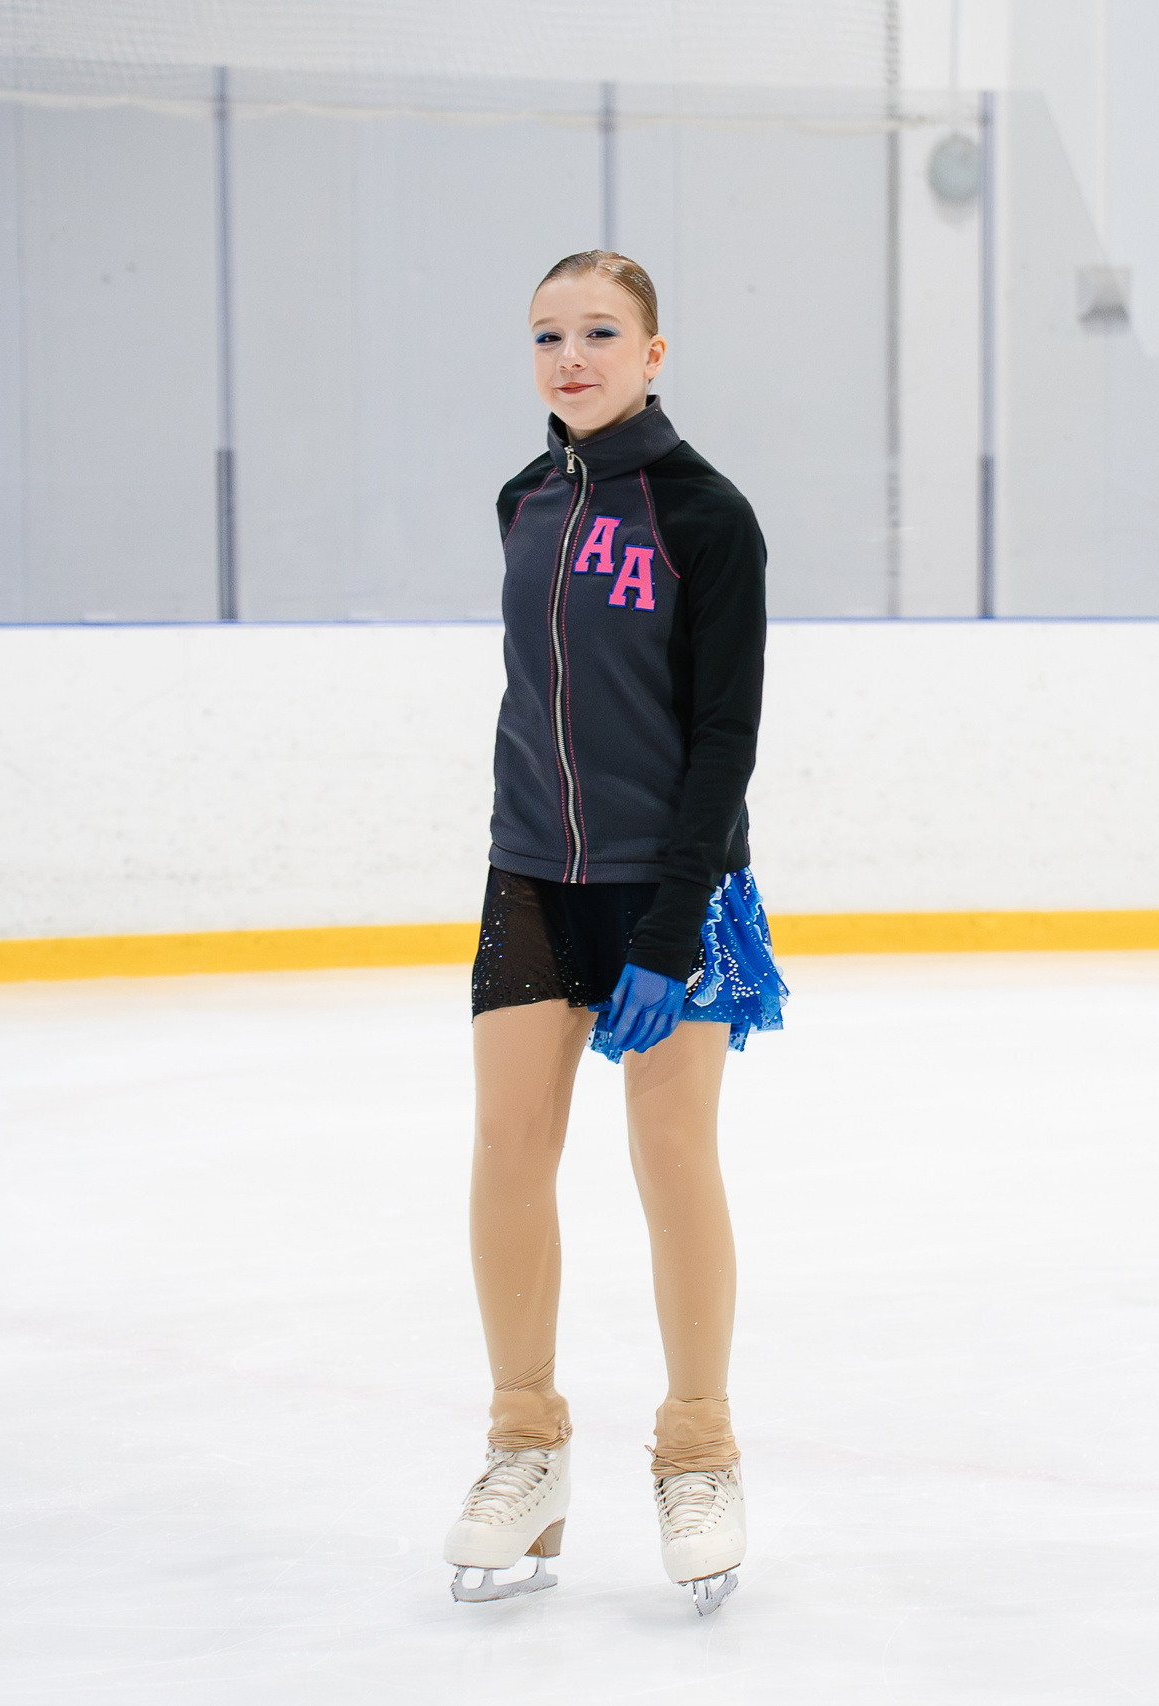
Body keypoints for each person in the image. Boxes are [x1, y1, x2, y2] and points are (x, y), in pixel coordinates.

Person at [443, 250, 786, 1615]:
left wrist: (666, 920)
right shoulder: (523, 501)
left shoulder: (709, 515)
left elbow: (726, 737)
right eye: (546, 335)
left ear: (655, 351)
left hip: (677, 884)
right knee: (506, 1152)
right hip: (531, 871)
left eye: (598, 332)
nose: (569, 355)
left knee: (670, 1153)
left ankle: (698, 1446)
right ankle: (524, 1444)